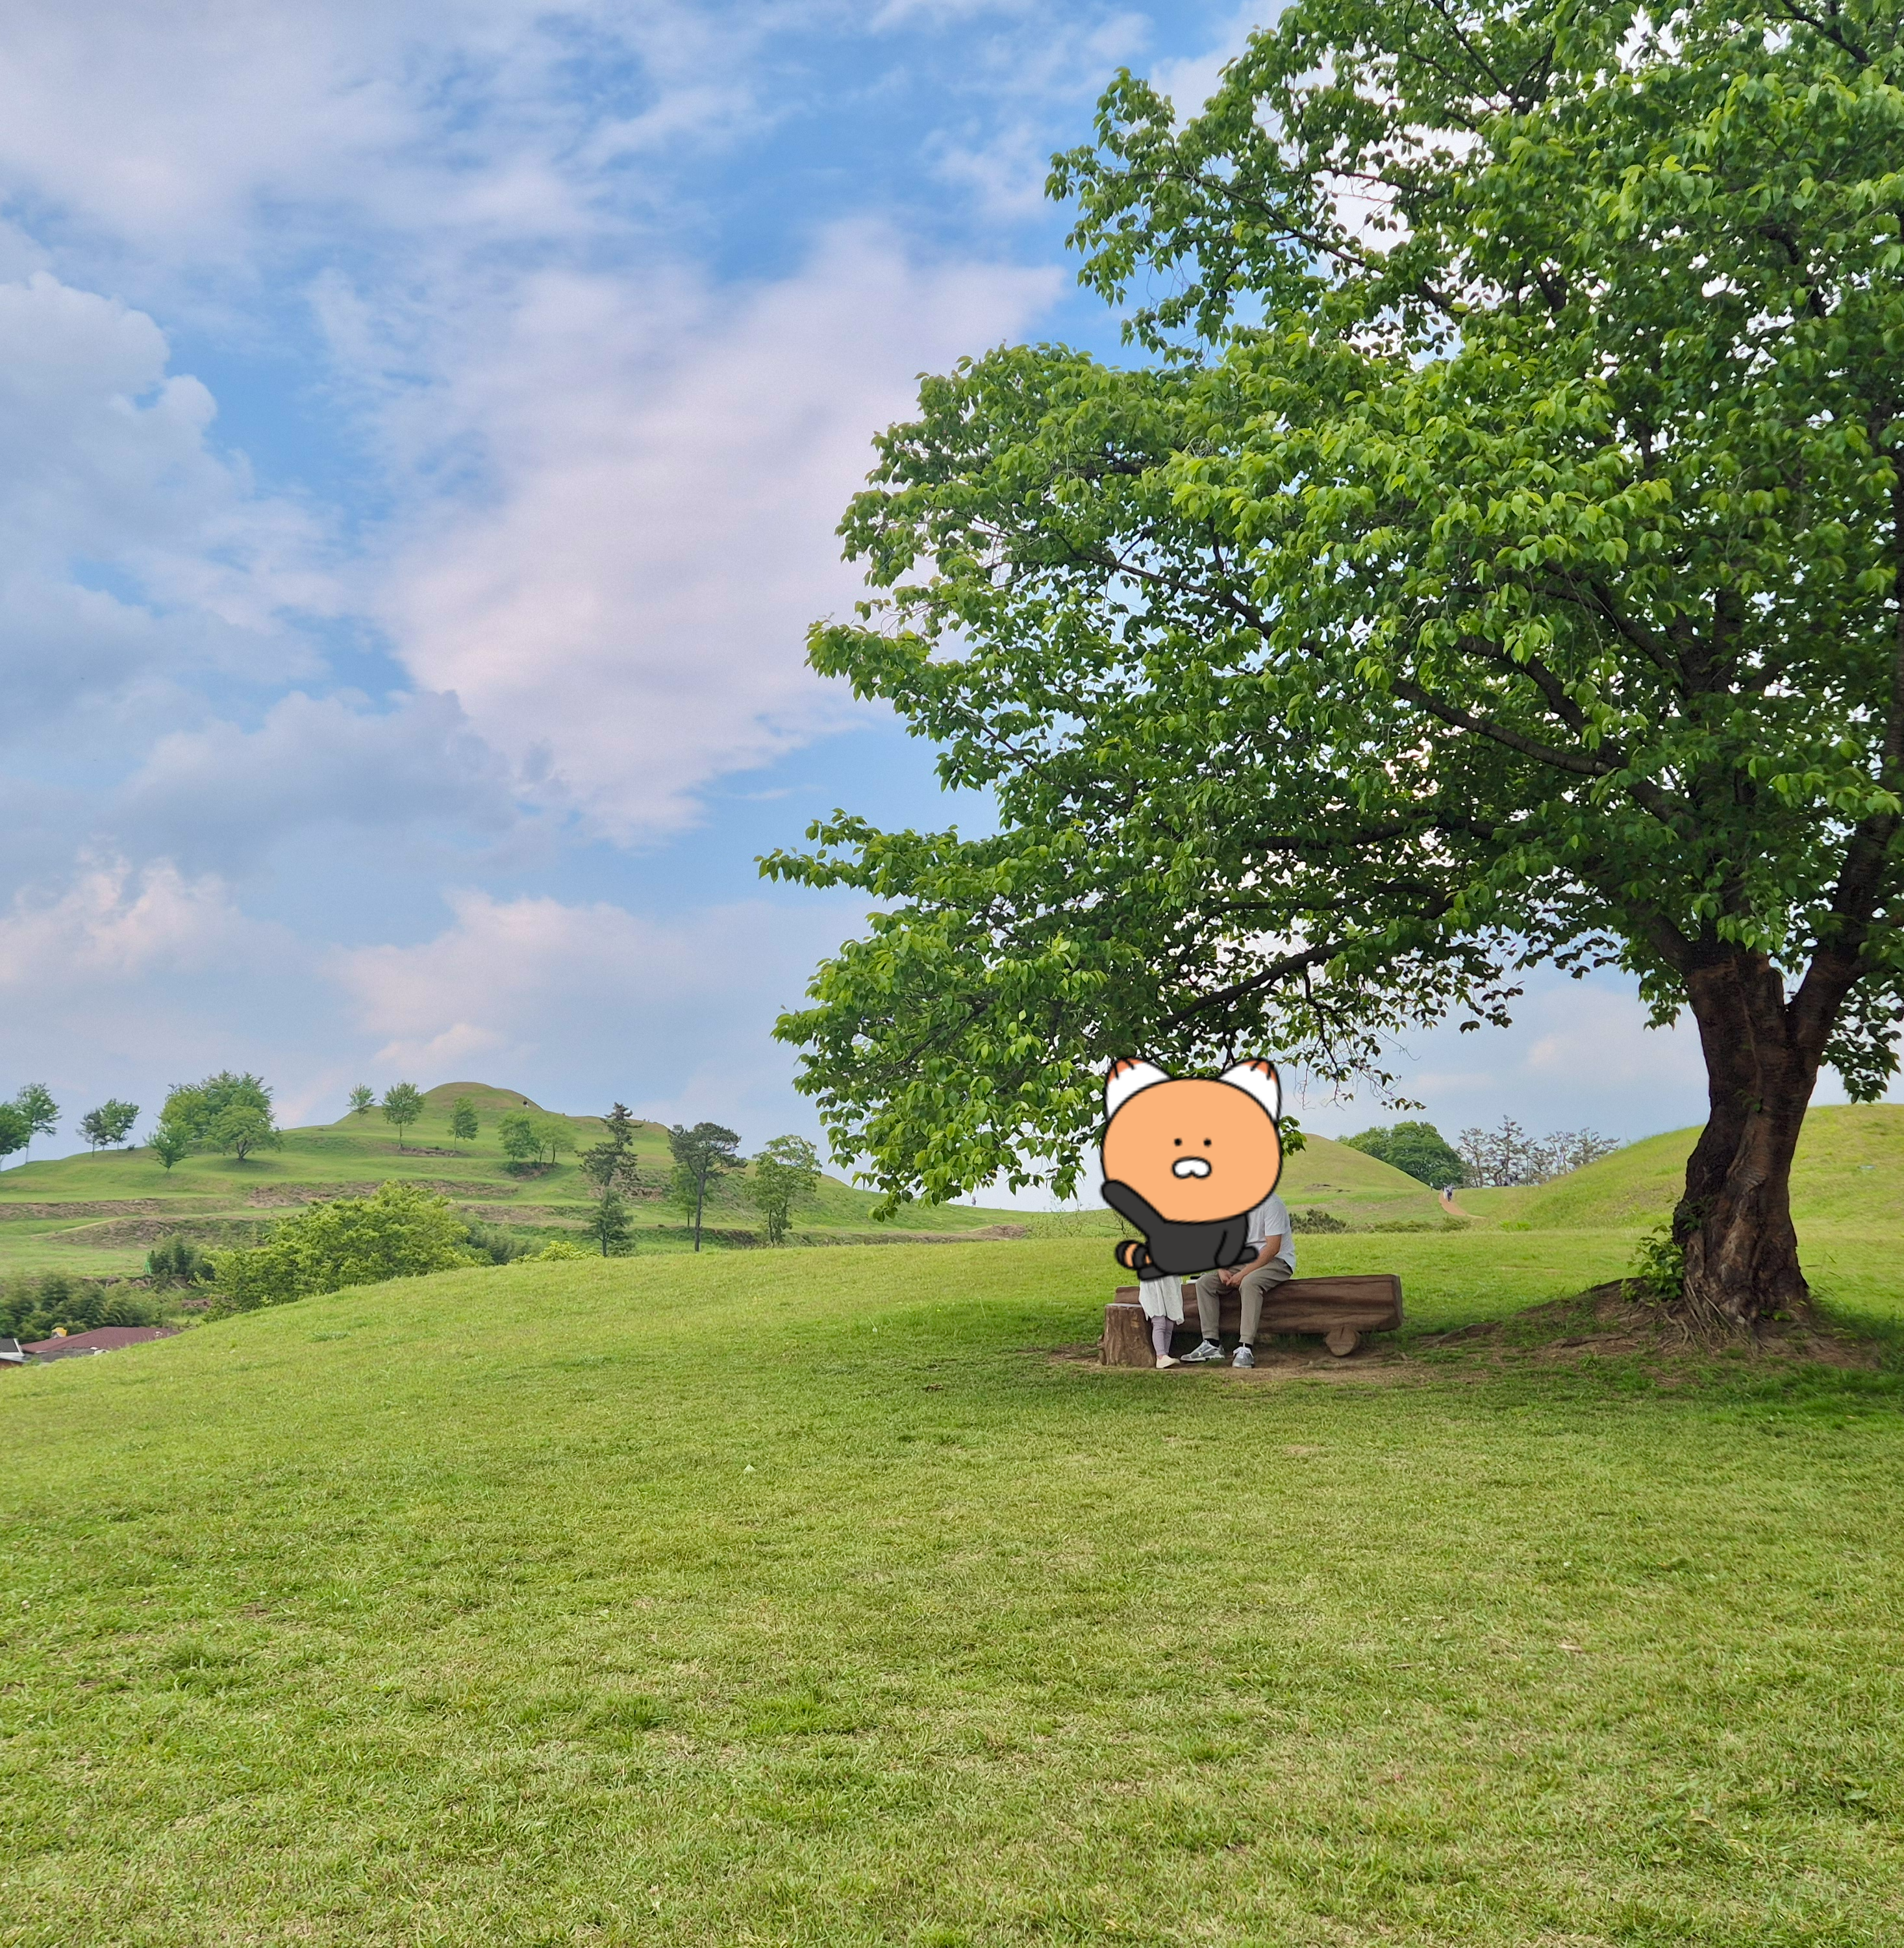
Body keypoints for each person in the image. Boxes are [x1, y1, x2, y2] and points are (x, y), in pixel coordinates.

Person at [1180, 1188, 1294, 1367]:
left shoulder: (1272, 1204)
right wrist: (1221, 1269)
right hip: (1243, 1261)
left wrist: (1243, 1273)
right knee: (1205, 1283)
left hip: (1277, 1261)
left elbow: (1273, 1248)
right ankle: (1211, 1344)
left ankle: (1245, 1348)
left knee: (1249, 1283)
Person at [1135, 1270, 1185, 1369]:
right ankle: (1161, 1356)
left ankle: (1165, 1355)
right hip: (1153, 1285)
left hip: (1168, 1283)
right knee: (1160, 1322)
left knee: (1169, 1323)